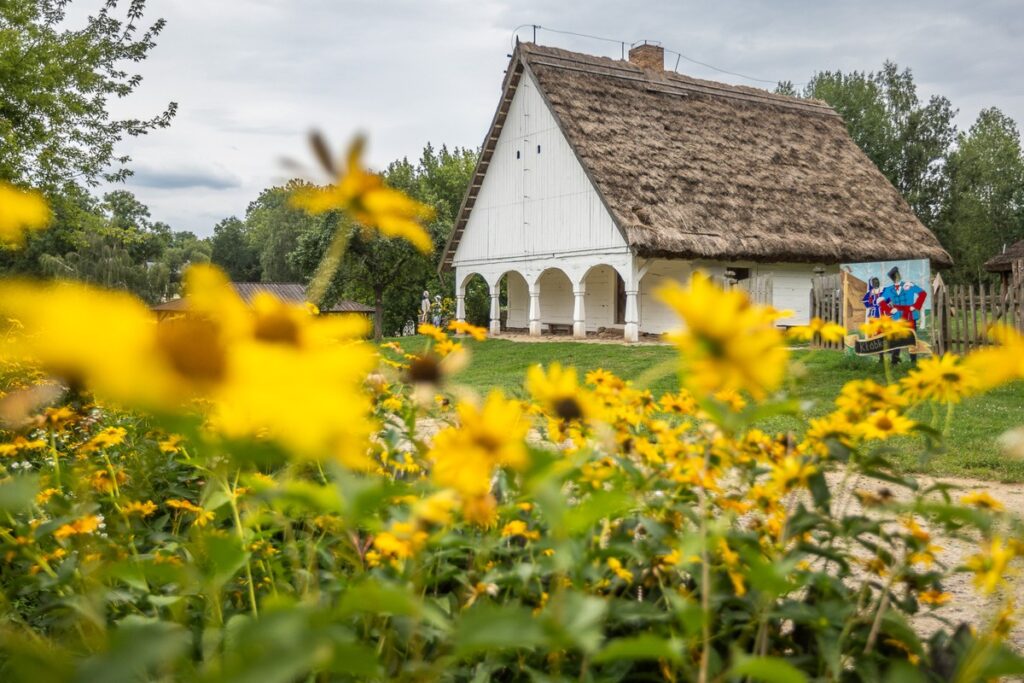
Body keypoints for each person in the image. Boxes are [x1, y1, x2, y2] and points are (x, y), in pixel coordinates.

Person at [877, 266, 926, 364]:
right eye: (895, 275)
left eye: (897, 274)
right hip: (897, 317)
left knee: (911, 338)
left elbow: (923, 294)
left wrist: (916, 306)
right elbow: (880, 300)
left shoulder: (909, 285)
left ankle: (913, 361)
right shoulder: (889, 289)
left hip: (909, 315)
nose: (897, 277)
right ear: (893, 277)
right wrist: (890, 310)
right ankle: (895, 360)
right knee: (896, 339)